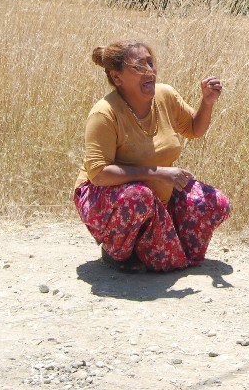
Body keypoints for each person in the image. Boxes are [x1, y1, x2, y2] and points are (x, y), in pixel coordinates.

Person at [73, 40, 232, 273]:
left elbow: (194, 129)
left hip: (156, 197)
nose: (150, 71)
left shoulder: (165, 96)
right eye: (138, 67)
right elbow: (98, 174)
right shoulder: (104, 113)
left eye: (150, 62)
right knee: (139, 196)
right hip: (105, 200)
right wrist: (159, 173)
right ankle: (117, 252)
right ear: (117, 78)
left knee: (213, 203)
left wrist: (206, 102)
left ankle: (153, 242)